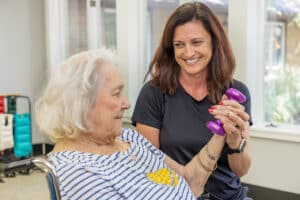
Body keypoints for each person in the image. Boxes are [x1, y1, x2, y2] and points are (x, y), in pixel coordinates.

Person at [35, 48, 229, 200]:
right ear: (83, 105)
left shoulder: (128, 137)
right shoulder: (76, 172)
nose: (127, 103)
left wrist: (222, 130)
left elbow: (189, 180)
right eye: (116, 93)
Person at [132, 2, 252, 200]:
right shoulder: (153, 93)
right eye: (179, 45)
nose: (188, 53)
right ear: (171, 49)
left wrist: (234, 140)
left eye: (196, 42)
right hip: (175, 196)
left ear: (214, 43)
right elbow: (148, 166)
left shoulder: (235, 92)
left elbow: (240, 170)